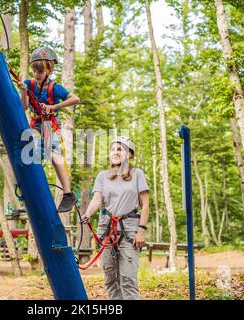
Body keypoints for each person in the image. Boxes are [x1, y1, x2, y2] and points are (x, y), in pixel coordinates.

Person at [81, 136, 150, 300]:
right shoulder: (102, 176)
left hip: (130, 231)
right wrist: (88, 213)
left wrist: (142, 230)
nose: (115, 152)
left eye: (119, 149)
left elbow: (145, 205)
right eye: (113, 149)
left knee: (128, 279)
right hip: (106, 231)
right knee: (110, 279)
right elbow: (97, 199)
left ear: (129, 154)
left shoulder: (137, 174)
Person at [18, 46, 80, 213]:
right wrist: (23, 92)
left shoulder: (54, 87)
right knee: (28, 153)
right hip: (35, 124)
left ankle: (68, 194)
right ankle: (29, 189)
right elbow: (23, 107)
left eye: (41, 71)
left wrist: (54, 106)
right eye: (35, 70)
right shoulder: (28, 84)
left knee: (51, 153)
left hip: (49, 124)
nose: (37, 74)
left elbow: (75, 99)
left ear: (49, 71)